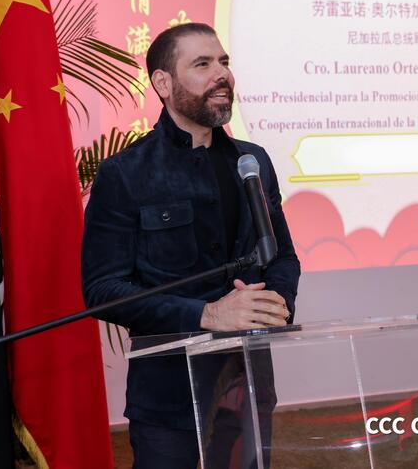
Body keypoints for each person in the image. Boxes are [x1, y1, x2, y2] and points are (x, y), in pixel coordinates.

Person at [81, 23, 301, 468]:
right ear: (163, 83)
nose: (222, 75)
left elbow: (281, 256)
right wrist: (206, 314)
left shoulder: (253, 161)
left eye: (224, 62)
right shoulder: (125, 174)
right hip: (168, 394)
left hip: (247, 383)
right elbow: (102, 290)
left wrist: (276, 302)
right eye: (202, 64)